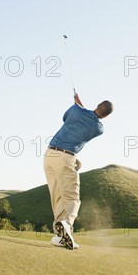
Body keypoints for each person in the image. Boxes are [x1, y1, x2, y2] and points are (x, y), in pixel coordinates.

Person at [43, 93, 113, 250]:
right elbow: (90, 118)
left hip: (49, 155)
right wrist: (80, 105)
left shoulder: (75, 110)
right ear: (106, 116)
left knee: (57, 197)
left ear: (97, 104)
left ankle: (58, 236)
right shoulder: (98, 128)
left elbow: (67, 117)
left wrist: (78, 104)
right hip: (65, 157)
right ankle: (67, 224)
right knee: (72, 197)